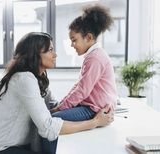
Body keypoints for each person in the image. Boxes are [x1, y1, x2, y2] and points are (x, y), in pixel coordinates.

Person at [0, 32, 114, 154]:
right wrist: (94, 122)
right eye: (50, 50)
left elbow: (53, 105)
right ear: (35, 54)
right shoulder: (24, 79)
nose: (55, 55)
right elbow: (48, 127)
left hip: (17, 145)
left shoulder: (36, 79)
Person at [43, 4, 118, 154]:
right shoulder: (93, 55)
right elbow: (79, 86)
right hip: (90, 106)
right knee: (51, 114)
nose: (72, 45)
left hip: (93, 109)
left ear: (89, 37)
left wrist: (60, 107)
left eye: (74, 40)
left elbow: (82, 90)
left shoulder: (95, 58)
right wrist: (63, 103)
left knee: (51, 121)